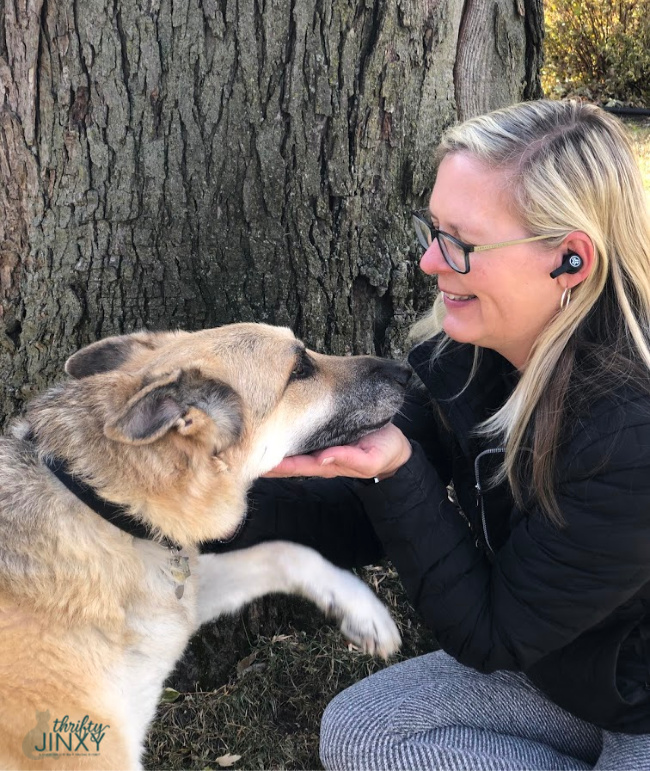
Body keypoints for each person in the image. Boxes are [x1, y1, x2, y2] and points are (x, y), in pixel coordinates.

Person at [203, 99, 650, 769]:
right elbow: (364, 511)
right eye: (433, 229)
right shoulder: (470, 352)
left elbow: (492, 633)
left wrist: (396, 469)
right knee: (365, 732)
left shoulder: (631, 430)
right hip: (569, 673)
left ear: (570, 261)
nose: (429, 262)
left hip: (628, 698)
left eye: (462, 242)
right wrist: (203, 505)